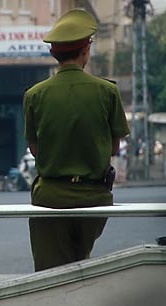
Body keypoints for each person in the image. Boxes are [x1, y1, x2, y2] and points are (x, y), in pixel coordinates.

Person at [22, 9, 130, 271]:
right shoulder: (108, 91)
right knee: (82, 266)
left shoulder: (34, 95)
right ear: (86, 50)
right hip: (95, 196)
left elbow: (35, 149)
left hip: (51, 197)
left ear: (53, 53)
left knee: (50, 274)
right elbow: (114, 146)